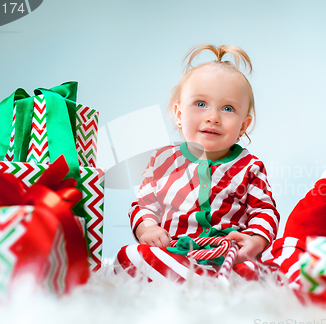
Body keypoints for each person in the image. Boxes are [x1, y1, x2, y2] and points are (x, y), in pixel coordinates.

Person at [116, 44, 279, 282]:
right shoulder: (163, 160)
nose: (212, 117)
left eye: (227, 108)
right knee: (130, 255)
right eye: (200, 104)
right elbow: (143, 205)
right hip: (176, 250)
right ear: (179, 114)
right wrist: (148, 228)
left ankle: (205, 281)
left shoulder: (250, 166)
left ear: (243, 126)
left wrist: (255, 240)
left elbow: (264, 210)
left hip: (227, 255)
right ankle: (191, 279)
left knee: (261, 271)